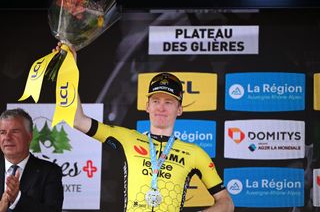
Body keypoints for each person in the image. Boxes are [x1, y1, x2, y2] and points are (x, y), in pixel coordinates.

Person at [54, 43, 234, 211]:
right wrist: (68, 69)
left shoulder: (195, 153)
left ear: (179, 109)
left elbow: (226, 202)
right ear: (147, 106)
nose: (161, 107)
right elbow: (78, 120)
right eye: (156, 101)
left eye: (169, 102)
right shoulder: (127, 138)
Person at [0, 108, 64, 212]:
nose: (7, 137)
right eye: (2, 132)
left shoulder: (50, 172)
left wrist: (18, 198)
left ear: (29, 136)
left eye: (15, 131)